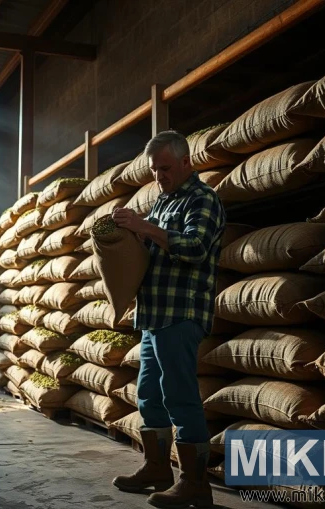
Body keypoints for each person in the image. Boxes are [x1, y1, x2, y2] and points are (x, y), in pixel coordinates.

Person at [109, 131, 226, 509]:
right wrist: (128, 233)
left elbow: (194, 247)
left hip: (181, 314)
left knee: (180, 395)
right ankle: (157, 468)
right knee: (149, 395)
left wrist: (144, 227)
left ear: (186, 162)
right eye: (154, 170)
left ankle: (195, 483)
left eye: (165, 168)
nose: (159, 176)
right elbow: (152, 249)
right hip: (153, 315)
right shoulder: (162, 201)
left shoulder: (203, 199)